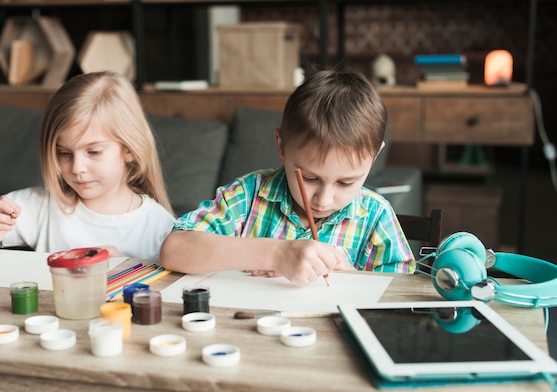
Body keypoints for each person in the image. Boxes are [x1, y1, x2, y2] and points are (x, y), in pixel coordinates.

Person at [160, 67, 415, 286]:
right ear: (281, 147)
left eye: (345, 182)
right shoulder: (248, 196)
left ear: (375, 156)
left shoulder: (376, 216)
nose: (323, 201)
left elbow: (400, 296)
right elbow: (174, 250)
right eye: (310, 178)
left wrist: (349, 276)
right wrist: (276, 253)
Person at [0, 71, 174, 261]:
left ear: (129, 150)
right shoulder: (44, 206)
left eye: (93, 151)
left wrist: (122, 266)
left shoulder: (159, 225)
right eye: (64, 153)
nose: (77, 167)